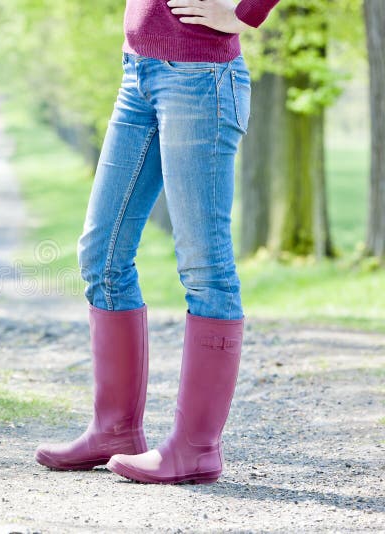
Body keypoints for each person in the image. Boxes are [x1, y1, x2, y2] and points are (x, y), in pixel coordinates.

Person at [35, 0, 280, 484]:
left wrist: (247, 11)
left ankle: (196, 448)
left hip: (200, 77)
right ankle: (115, 431)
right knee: (100, 254)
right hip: (138, 72)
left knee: (204, 266)